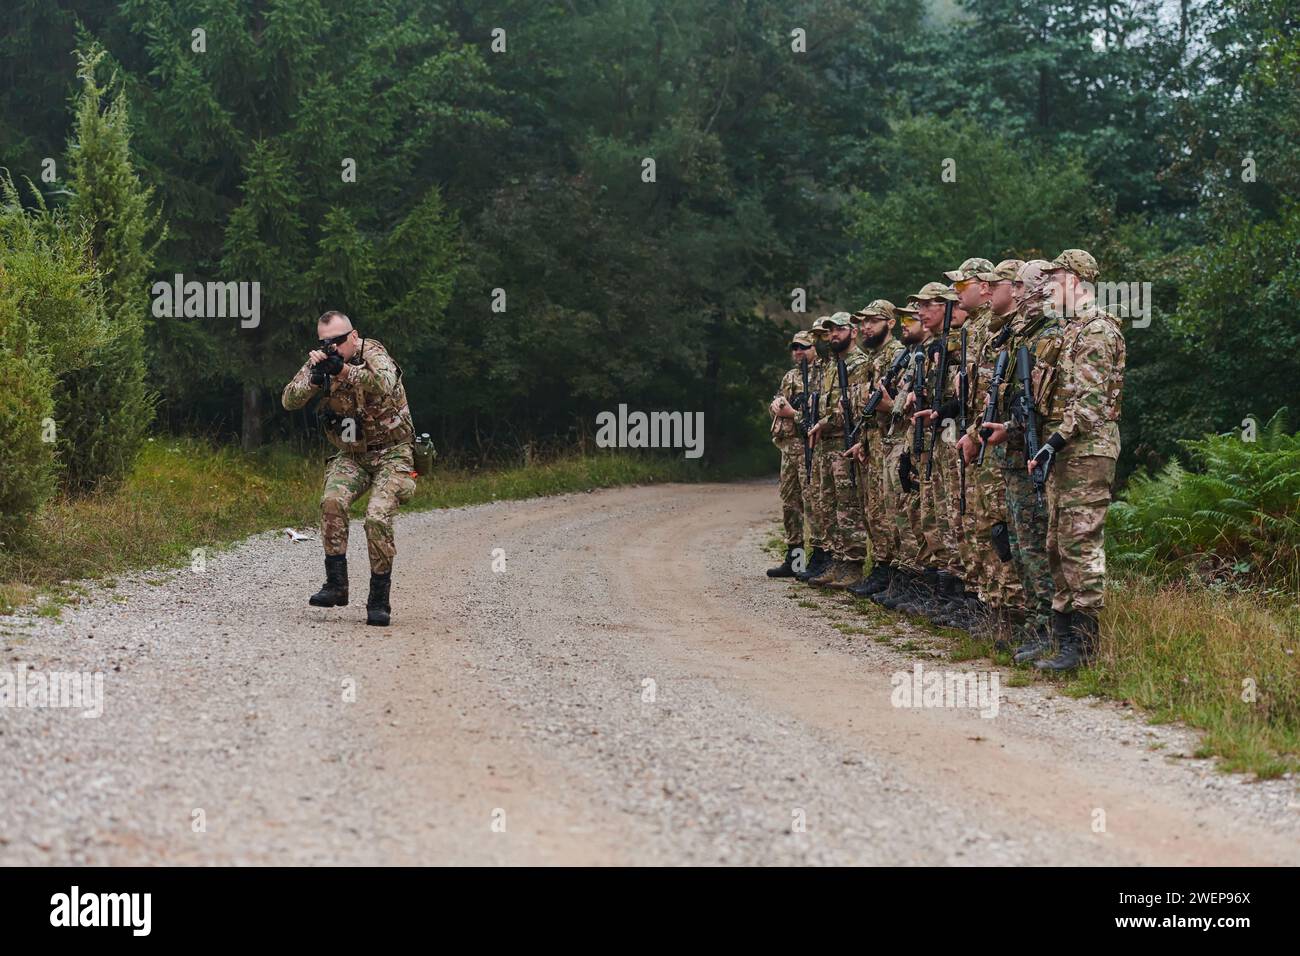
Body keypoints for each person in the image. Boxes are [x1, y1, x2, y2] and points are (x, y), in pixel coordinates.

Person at [282, 310, 417, 626]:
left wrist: (343, 371)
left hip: (393, 453)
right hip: (353, 454)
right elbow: (289, 399)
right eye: (326, 342)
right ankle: (336, 585)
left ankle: (379, 600)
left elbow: (383, 383)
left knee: (377, 517)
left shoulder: (373, 352)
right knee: (331, 502)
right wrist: (315, 379)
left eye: (339, 341)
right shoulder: (324, 360)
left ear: (353, 336)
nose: (333, 347)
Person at [807, 312, 871, 589]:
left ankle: (852, 563)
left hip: (844, 441)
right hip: (826, 444)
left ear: (853, 332)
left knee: (847, 505)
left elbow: (850, 407)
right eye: (830, 331)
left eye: (839, 329)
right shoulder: (834, 365)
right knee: (828, 503)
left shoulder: (858, 364)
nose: (833, 335)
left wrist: (823, 422)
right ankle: (836, 558)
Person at [768, 331, 817, 576]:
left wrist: (793, 414)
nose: (798, 351)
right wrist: (777, 406)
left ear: (814, 348)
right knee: (790, 504)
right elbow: (778, 404)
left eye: (804, 347)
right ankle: (795, 560)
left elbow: (818, 414)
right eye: (795, 347)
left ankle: (821, 559)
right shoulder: (790, 377)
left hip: (811, 449)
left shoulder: (821, 374)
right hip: (788, 449)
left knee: (814, 503)